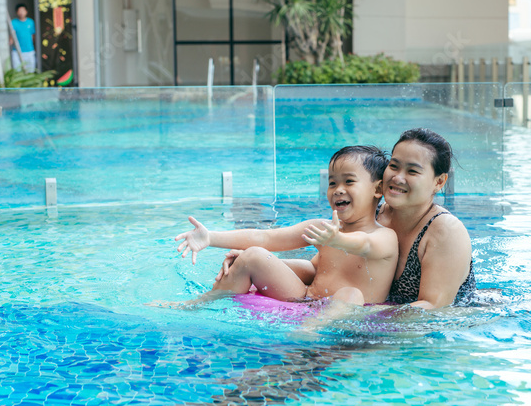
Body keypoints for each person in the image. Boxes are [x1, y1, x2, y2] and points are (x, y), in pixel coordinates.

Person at [216, 128, 476, 308]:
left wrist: (362, 317)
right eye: (394, 166)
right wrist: (256, 259)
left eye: (413, 171)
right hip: (352, 307)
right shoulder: (377, 214)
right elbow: (326, 267)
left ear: (439, 181)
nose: (397, 177)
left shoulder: (445, 231)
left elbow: (432, 310)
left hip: (420, 331)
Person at [175, 145, 398, 305]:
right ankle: (197, 305)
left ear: (378, 189)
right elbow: (266, 238)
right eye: (332, 182)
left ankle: (308, 335)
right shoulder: (324, 228)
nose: (338, 189)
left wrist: (337, 240)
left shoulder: (384, 236)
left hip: (352, 314)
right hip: (307, 298)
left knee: (350, 294)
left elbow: (364, 245)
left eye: (349, 181)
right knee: (253, 255)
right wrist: (211, 238)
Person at [10, 4, 37, 71]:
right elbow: (11, 37)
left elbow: (33, 36)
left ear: (26, 11)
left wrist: (35, 48)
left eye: (23, 10)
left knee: (30, 70)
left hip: (29, 51)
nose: (21, 12)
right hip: (17, 51)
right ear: (17, 12)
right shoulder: (13, 22)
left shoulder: (30, 22)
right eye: (19, 11)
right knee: (17, 71)